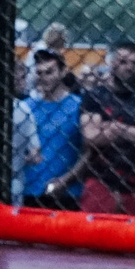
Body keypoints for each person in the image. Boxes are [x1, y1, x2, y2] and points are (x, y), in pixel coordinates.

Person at [78, 41, 135, 217]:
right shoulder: (95, 96)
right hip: (101, 182)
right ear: (112, 63)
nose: (129, 67)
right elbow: (91, 137)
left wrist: (115, 128)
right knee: (93, 232)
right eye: (123, 61)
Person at [23, 49, 87, 210]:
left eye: (49, 72)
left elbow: (88, 153)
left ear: (63, 71)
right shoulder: (26, 107)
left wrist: (65, 181)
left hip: (67, 194)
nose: (44, 77)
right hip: (29, 190)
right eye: (39, 73)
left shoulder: (79, 106)